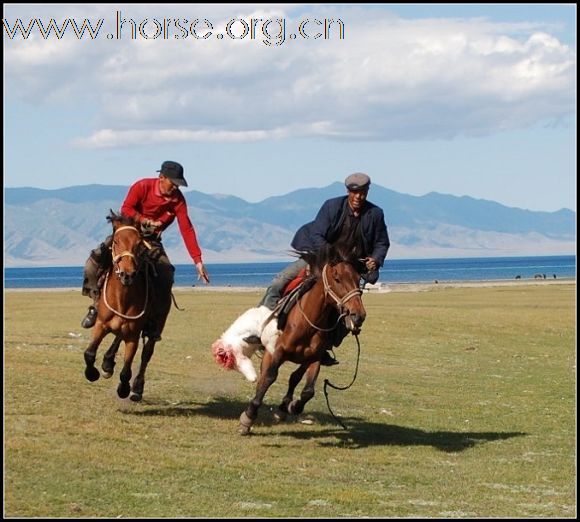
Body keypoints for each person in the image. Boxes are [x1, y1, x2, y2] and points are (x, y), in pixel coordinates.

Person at [258, 172, 390, 365]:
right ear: (348, 191)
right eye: (354, 192)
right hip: (319, 259)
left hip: (349, 270)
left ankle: (325, 346)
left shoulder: (375, 214)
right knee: (279, 282)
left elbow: (382, 243)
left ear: (367, 192)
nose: (358, 197)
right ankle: (259, 328)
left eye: (362, 192)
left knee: (352, 311)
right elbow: (317, 236)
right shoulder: (332, 206)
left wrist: (376, 260)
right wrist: (331, 259)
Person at [80, 160, 210, 339]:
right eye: (173, 183)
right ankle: (96, 307)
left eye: (178, 185)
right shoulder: (142, 186)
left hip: (151, 241)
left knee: (165, 275)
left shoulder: (178, 200)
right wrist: (145, 221)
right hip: (127, 235)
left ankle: (153, 323)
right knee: (92, 264)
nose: (176, 188)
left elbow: (186, 228)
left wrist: (198, 260)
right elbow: (126, 208)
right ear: (161, 177)